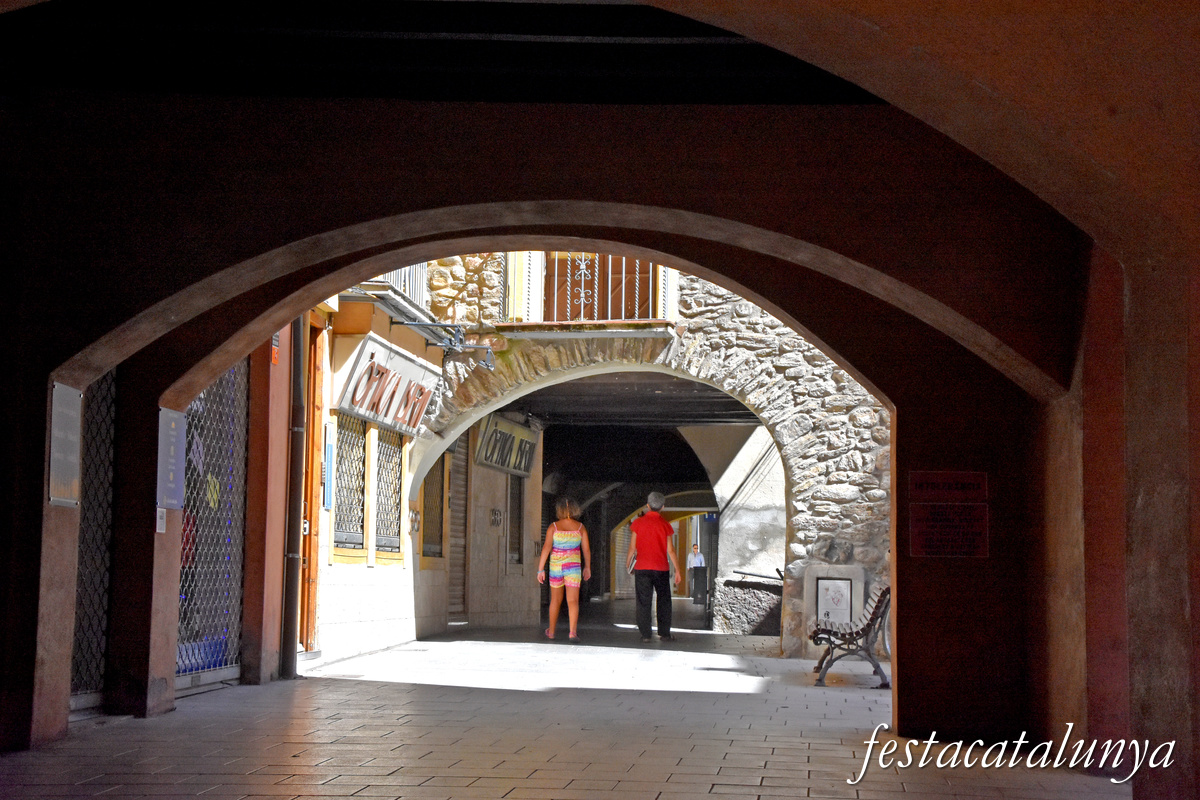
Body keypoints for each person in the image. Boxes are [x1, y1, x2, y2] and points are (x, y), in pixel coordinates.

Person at [626, 491, 682, 642]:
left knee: (643, 601)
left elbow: (632, 548)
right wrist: (678, 570)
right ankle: (664, 634)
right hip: (661, 569)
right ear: (662, 507)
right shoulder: (665, 525)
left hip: (642, 568)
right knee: (664, 600)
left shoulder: (637, 524)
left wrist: (628, 563)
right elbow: (670, 550)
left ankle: (645, 634)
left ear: (647, 506)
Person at [536, 497, 591, 643]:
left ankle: (552, 632)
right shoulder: (580, 528)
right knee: (572, 601)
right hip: (573, 568)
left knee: (555, 600)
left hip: (556, 568)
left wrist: (540, 569)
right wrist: (587, 567)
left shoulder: (553, 527)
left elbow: (546, 548)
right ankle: (572, 632)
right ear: (574, 509)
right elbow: (586, 550)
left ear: (559, 510)